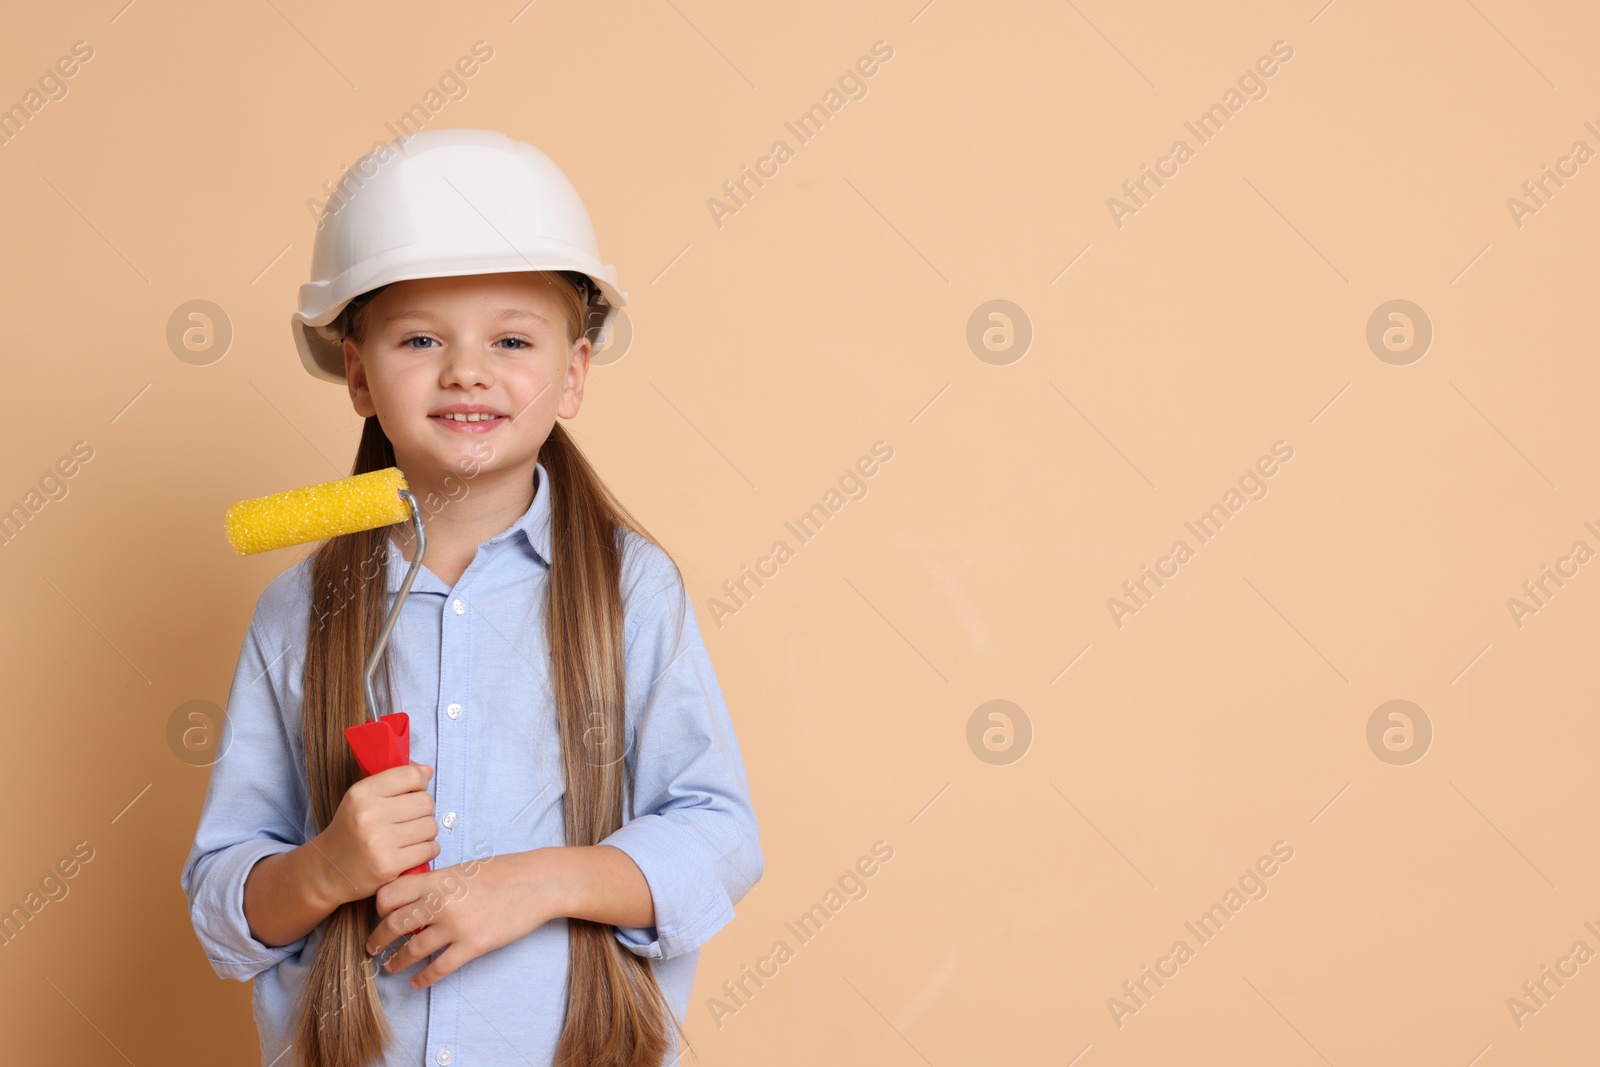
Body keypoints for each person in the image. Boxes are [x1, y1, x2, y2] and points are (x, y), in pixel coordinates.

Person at [180, 128, 763, 1067]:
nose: (467, 370)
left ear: (572, 374)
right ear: (359, 373)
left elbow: (719, 836)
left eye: (512, 338)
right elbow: (224, 902)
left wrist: (535, 882)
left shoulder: (631, 589)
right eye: (419, 338)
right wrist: (326, 866)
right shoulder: (299, 612)